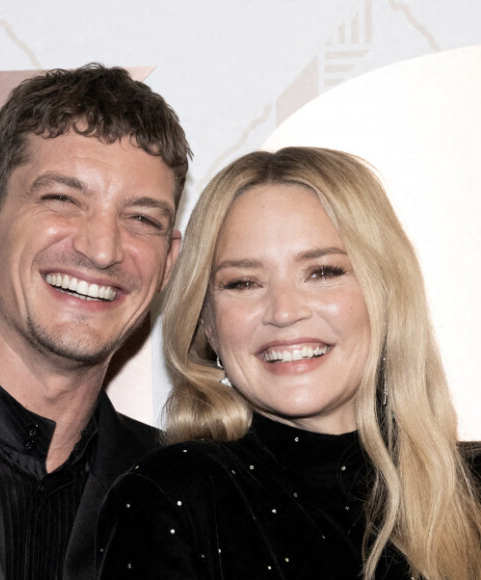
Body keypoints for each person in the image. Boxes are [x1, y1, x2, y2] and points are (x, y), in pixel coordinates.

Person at [95, 147, 481, 579]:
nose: (283, 311)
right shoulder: (173, 499)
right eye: (243, 282)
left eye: (322, 272)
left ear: (387, 295)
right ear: (207, 323)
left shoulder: (473, 489)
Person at [0, 63, 190, 579]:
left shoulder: (187, 496)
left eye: (142, 219)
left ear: (169, 261)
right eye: (62, 198)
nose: (102, 250)